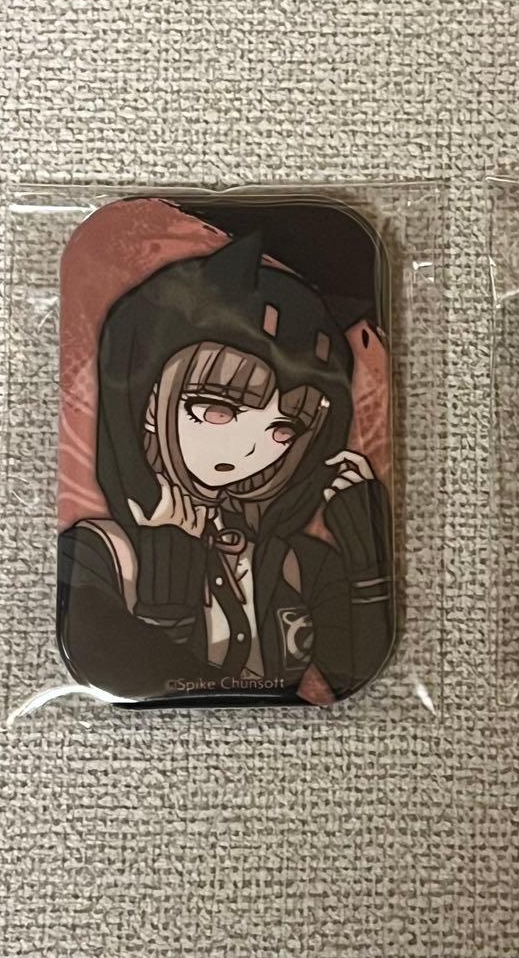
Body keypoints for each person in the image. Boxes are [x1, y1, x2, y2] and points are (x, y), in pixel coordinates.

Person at [57, 233, 392, 704]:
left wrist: (367, 557)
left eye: (283, 430)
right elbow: (125, 675)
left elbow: (351, 673)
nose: (250, 448)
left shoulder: (300, 564)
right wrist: (167, 594)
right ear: (148, 402)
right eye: (219, 411)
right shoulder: (96, 555)